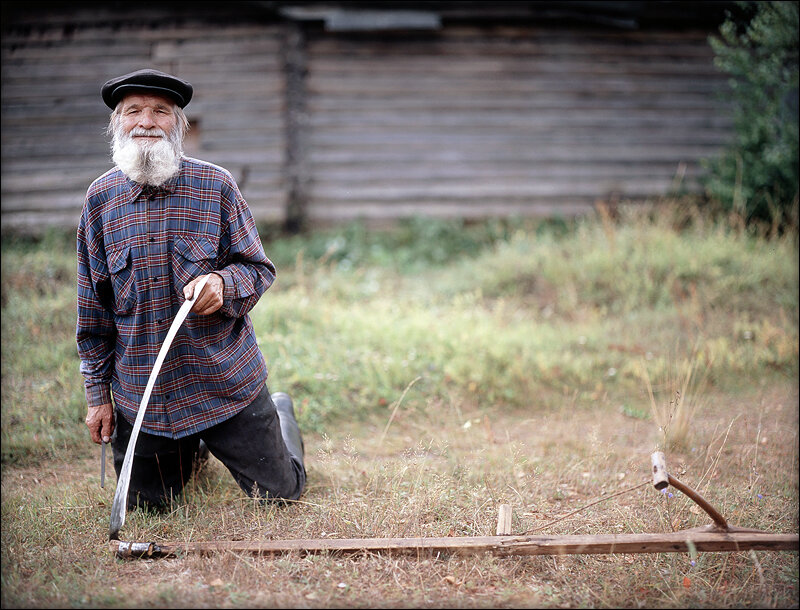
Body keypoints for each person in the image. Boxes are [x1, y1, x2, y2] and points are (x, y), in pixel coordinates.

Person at [77, 68, 305, 511]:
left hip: (223, 385)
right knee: (146, 510)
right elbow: (93, 315)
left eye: (161, 111)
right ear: (116, 124)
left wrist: (223, 282)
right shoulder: (99, 201)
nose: (146, 121)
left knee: (282, 497)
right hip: (145, 396)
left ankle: (279, 412)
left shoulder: (215, 186)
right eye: (133, 111)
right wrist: (97, 398)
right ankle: (191, 450)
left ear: (179, 125)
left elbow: (258, 269)